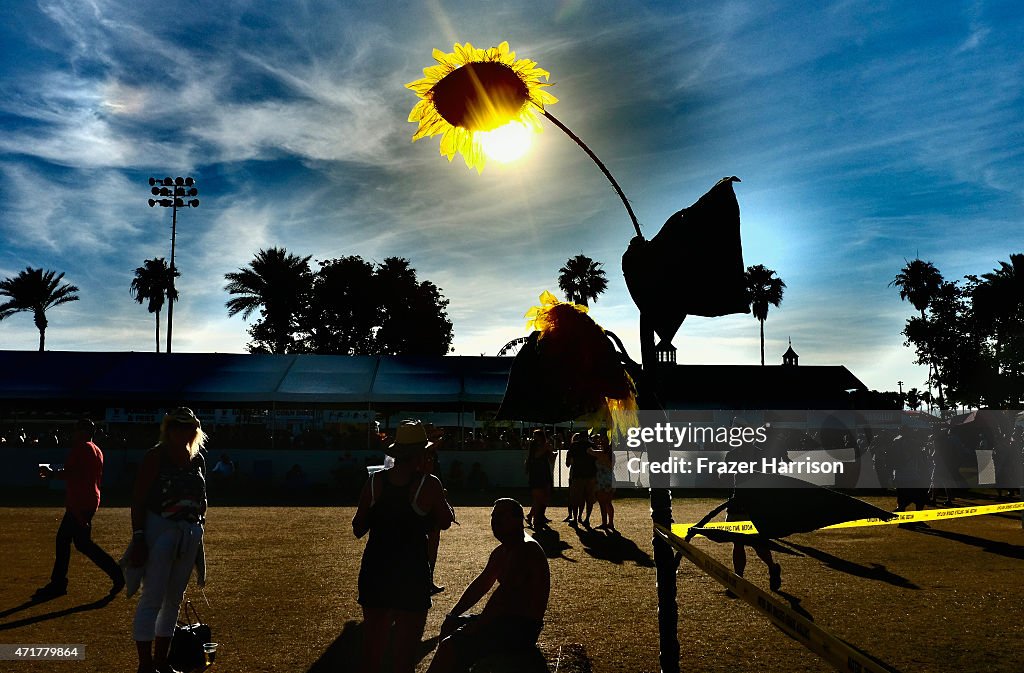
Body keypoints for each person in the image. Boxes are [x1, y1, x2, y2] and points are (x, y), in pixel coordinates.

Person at [353, 420, 455, 673]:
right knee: (404, 655)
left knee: (371, 652)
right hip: (411, 573)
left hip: (376, 569)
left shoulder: (376, 481)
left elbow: (358, 527)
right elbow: (445, 521)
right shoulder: (428, 483)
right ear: (421, 453)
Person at [426, 499, 549, 673]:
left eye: (500, 516)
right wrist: (454, 614)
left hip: (520, 629)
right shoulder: (504, 550)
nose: (495, 522)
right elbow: (481, 584)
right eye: (493, 516)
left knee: (449, 646)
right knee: (450, 627)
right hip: (505, 621)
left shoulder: (525, 550)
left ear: (517, 519)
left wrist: (476, 626)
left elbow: (503, 597)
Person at [129, 407, 209, 673]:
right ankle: (145, 665)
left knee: (173, 599)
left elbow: (203, 500)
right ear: (169, 429)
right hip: (159, 530)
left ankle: (161, 662)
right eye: (177, 426)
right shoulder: (156, 456)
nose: (182, 432)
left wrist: (199, 533)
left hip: (188, 533)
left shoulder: (196, 459)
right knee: (152, 597)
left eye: (187, 427)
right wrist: (139, 536)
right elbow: (139, 498)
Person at [34, 418, 123, 599]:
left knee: (72, 542)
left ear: (81, 432)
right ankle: (116, 575)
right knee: (79, 543)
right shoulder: (95, 449)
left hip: (79, 503)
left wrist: (51, 473)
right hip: (88, 501)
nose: (73, 434)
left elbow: (71, 473)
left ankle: (116, 575)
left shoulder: (81, 448)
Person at [525, 429, 555, 529]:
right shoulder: (534, 445)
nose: (535, 438)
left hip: (544, 472)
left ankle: (536, 516)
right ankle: (536, 519)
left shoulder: (545, 445)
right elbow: (535, 456)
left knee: (545, 496)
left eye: (536, 436)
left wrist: (551, 453)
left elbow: (551, 460)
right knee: (538, 497)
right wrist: (546, 448)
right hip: (536, 473)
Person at [566, 433, 598, 526]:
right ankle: (587, 518)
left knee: (576, 498)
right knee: (589, 498)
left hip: (577, 475)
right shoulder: (592, 446)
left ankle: (575, 518)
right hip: (591, 475)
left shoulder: (574, 446)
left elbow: (568, 462)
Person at [592, 430, 617, 532]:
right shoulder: (612, 453)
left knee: (603, 503)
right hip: (609, 479)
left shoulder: (602, 453)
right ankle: (609, 522)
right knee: (608, 502)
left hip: (603, 479)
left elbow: (590, 451)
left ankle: (605, 522)